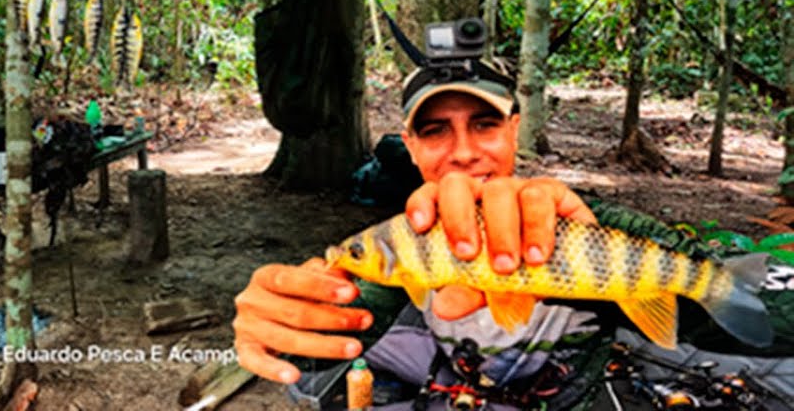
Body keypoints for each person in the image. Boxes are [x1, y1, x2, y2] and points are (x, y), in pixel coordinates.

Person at [233, 58, 794, 409]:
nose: (465, 152)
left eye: (484, 124)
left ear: (515, 128)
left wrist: (708, 294)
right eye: (435, 131)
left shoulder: (595, 227)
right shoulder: (401, 247)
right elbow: (327, 344)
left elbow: (769, 321)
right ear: (407, 141)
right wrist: (277, 326)